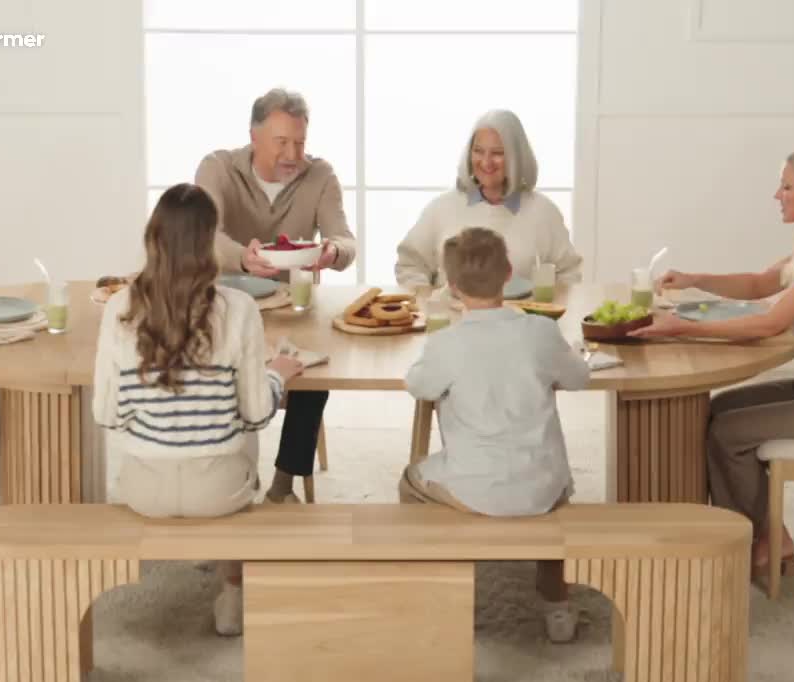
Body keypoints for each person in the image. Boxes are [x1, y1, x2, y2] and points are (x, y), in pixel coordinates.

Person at [92, 183, 303, 636]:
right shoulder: (240, 308)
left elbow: (107, 415)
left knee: (191, 432)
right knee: (241, 434)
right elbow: (256, 413)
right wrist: (278, 375)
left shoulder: (118, 308)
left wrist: (158, 400)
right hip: (220, 492)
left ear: (153, 238)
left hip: (143, 490)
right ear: (209, 243)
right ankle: (233, 593)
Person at [631, 145, 794, 580]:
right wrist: (695, 279)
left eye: (787, 186)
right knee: (718, 409)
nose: (777, 195)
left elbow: (768, 323)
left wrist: (680, 328)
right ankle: (769, 536)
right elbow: (760, 283)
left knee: (728, 433)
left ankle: (755, 543)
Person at [398, 227, 590, 642]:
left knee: (410, 481)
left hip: (475, 489)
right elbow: (579, 377)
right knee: (560, 494)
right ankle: (556, 603)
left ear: (451, 287)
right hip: (543, 486)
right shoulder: (540, 332)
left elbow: (418, 386)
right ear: (509, 274)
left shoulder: (446, 343)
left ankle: (431, 592)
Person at [194, 87, 356, 504]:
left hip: (295, 309)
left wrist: (333, 252)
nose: (292, 154)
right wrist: (241, 258)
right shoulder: (217, 168)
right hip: (226, 304)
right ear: (254, 137)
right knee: (216, 370)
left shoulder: (320, 175)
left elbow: (344, 240)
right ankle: (225, 474)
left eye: (299, 142)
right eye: (281, 142)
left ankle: (284, 482)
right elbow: (201, 236)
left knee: (314, 370)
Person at [395, 109, 582, 292]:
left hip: (519, 321)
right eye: (478, 151)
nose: (486, 162)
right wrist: (429, 305)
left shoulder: (543, 212)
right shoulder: (441, 208)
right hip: (453, 320)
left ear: (517, 157)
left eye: (497, 153)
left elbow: (569, 273)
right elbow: (410, 265)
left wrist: (546, 312)